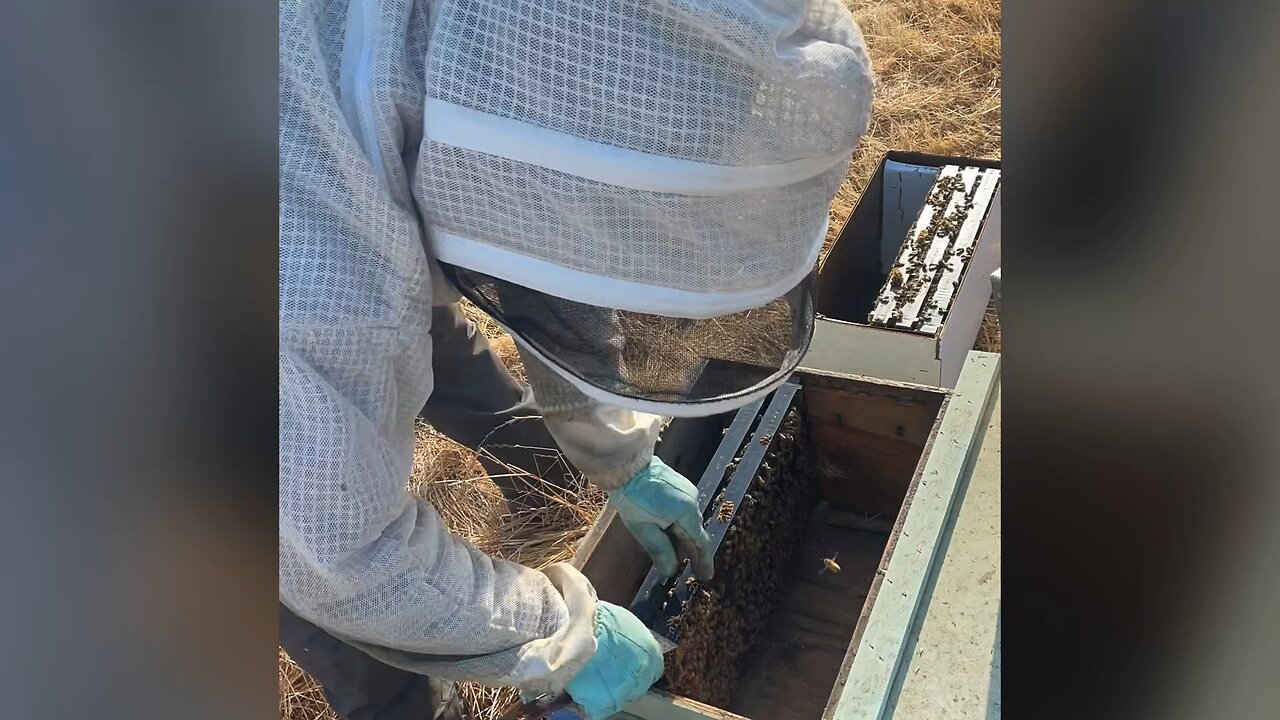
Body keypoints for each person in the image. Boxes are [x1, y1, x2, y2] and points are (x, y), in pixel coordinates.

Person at [279, 0, 872, 718]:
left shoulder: (519, 57)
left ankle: (550, 476)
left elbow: (557, 236)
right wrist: (555, 632)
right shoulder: (317, 278)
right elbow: (329, 553)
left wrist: (617, 455)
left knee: (425, 341)